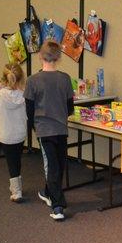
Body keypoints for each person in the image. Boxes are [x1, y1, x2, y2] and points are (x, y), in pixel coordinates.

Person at [24, 41, 74, 221]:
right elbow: (70, 108)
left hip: (44, 129)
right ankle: (58, 205)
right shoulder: (65, 79)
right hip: (60, 128)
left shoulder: (32, 81)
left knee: (55, 165)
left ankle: (48, 192)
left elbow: (29, 110)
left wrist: (34, 127)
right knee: (57, 164)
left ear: (39, 56)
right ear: (59, 57)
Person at [0, 63, 27, 202]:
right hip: (20, 133)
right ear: (21, 78)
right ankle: (17, 185)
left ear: (4, 79)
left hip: (6, 134)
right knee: (17, 159)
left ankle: (16, 191)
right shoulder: (24, 95)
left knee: (11, 161)